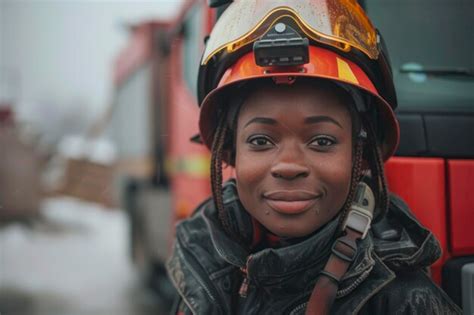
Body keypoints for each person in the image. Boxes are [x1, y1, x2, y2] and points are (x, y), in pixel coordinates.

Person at [166, 1, 461, 314]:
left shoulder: (405, 301)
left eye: (321, 140)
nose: (289, 166)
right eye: (261, 140)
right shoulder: (200, 264)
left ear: (359, 155)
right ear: (231, 151)